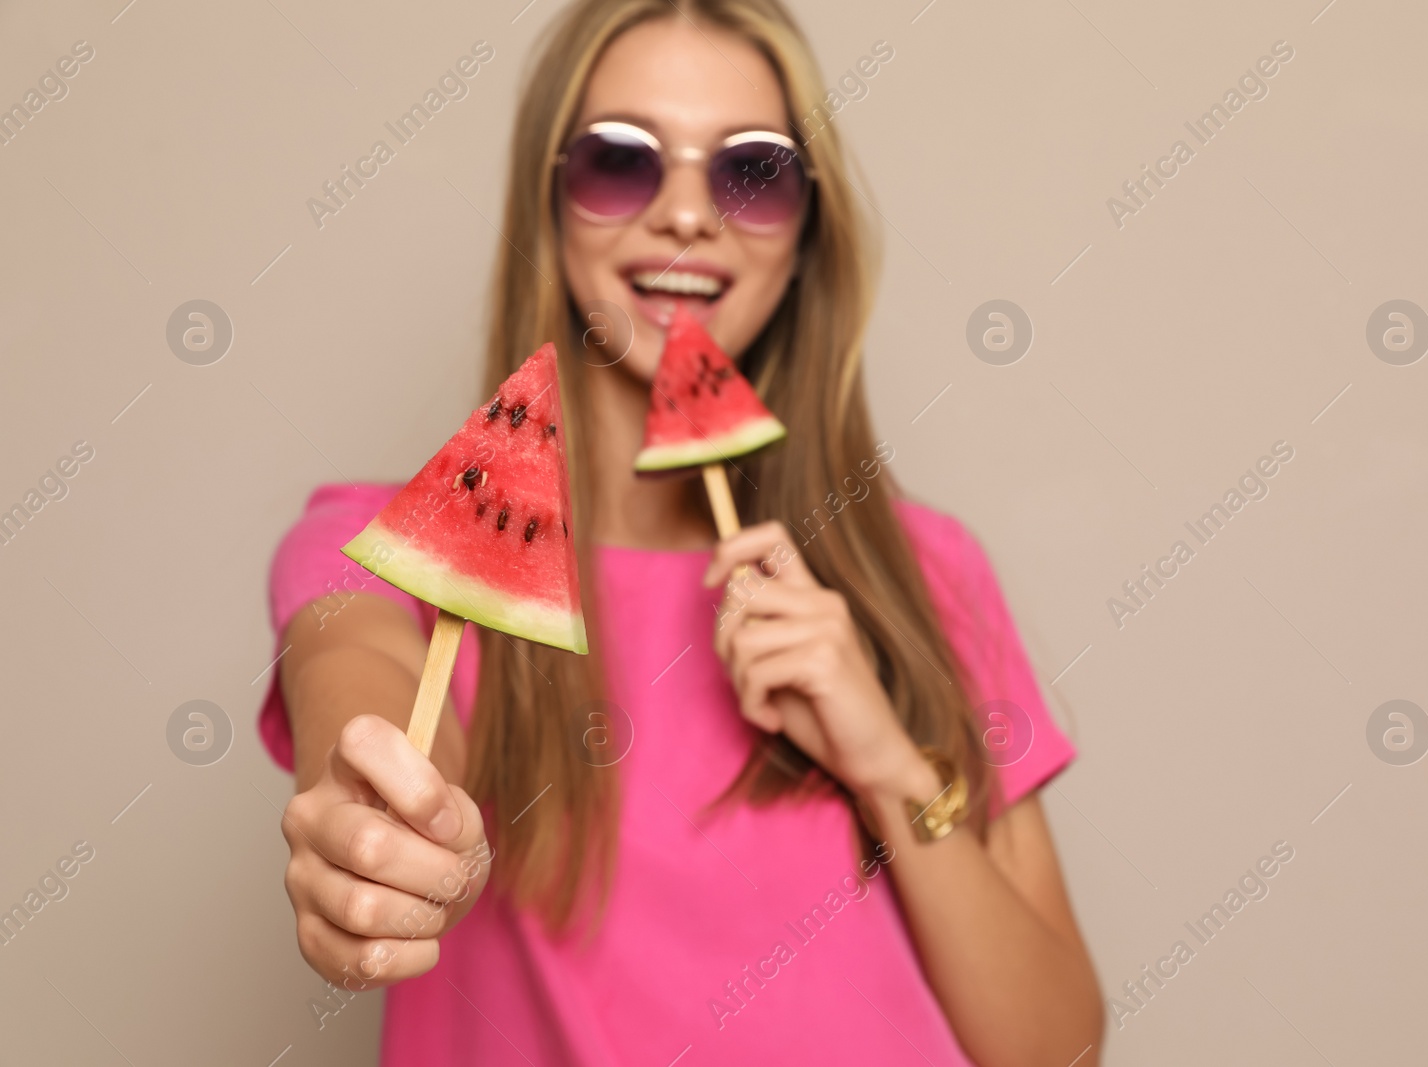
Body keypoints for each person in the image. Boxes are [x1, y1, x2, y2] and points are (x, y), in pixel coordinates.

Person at [261, 0, 1104, 1062]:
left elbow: (1057, 1047)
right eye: (623, 161)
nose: (688, 215)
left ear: (805, 232)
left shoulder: (925, 570)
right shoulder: (375, 550)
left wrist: (884, 758)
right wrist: (374, 839)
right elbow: (373, 722)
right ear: (550, 200)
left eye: (752, 173)